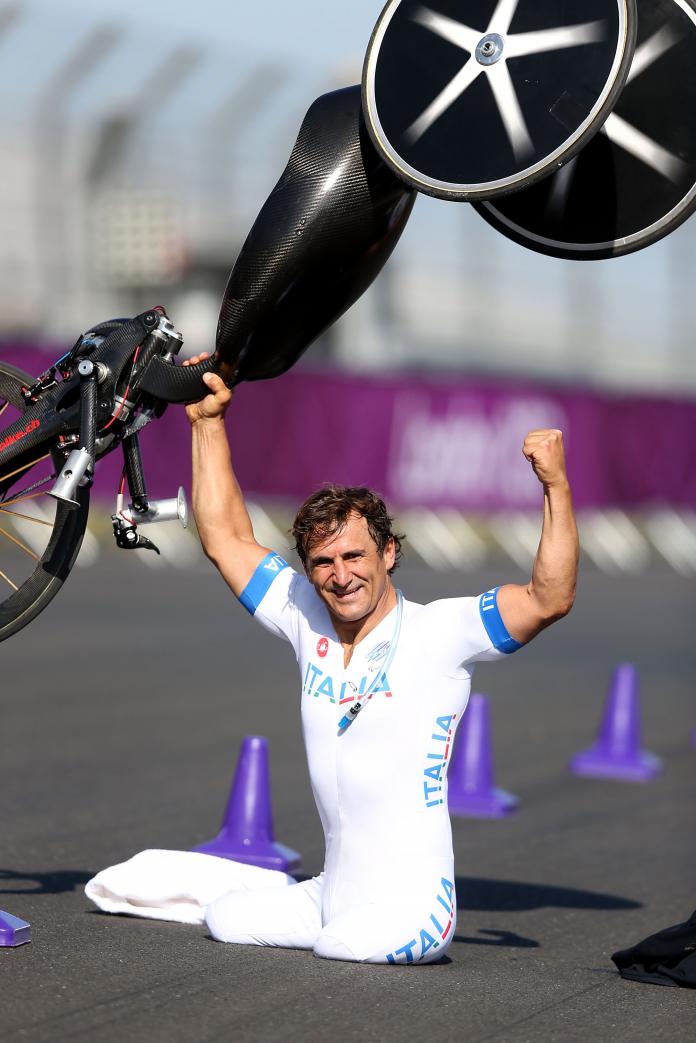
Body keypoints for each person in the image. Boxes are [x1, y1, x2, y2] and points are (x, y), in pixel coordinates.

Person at [183, 357, 579, 965]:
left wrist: (555, 486)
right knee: (225, 918)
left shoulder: (439, 631)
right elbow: (225, 539)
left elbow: (549, 598)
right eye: (322, 563)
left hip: (416, 907)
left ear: (388, 552)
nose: (341, 577)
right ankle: (312, 898)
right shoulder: (303, 614)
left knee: (340, 948)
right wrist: (208, 424)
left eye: (355, 556)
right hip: (332, 897)